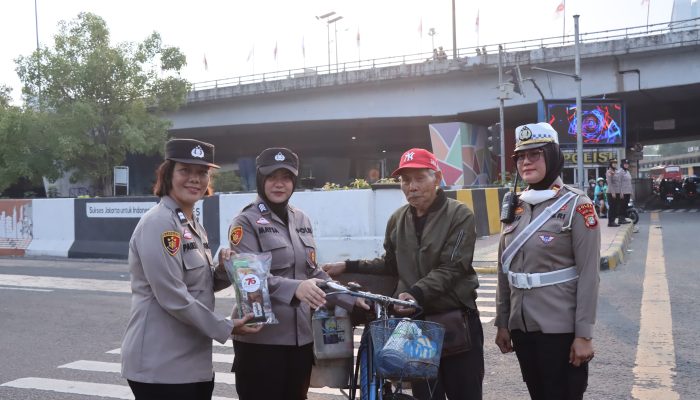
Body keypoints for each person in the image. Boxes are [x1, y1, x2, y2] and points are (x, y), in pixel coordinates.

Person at [323, 148, 484, 400]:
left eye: (420, 178)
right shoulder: (397, 219)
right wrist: (348, 265)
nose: (412, 186)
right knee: (423, 395)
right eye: (405, 180)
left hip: (455, 322)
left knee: (465, 393)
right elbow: (389, 264)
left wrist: (415, 293)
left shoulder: (459, 214)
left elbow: (452, 267)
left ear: (437, 178)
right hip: (414, 328)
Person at [121, 139, 262, 400]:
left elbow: (199, 283)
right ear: (167, 175)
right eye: (185, 170)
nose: (195, 179)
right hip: (162, 364)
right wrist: (226, 326)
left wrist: (223, 270)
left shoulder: (190, 223)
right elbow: (172, 295)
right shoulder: (160, 223)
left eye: (202, 173)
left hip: (193, 363)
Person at [227, 147, 362, 400]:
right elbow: (248, 280)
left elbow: (313, 272)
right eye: (272, 177)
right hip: (261, 342)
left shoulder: (301, 219)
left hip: (300, 341)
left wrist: (351, 298)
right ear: (260, 179)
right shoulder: (245, 222)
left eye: (286, 177)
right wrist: (295, 287)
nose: (280, 184)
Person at [494, 123, 600, 400]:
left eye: (535, 154)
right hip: (522, 328)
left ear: (552, 156)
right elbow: (503, 268)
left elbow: (589, 274)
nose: (526, 162)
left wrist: (584, 335)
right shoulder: (514, 205)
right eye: (520, 156)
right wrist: (503, 322)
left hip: (561, 330)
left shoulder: (578, 205)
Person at [605, 160, 621, 227]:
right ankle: (610, 222)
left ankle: (613, 221)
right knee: (612, 207)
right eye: (613, 163)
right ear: (610, 164)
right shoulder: (609, 171)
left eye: (615, 163)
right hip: (611, 192)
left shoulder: (616, 171)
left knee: (615, 207)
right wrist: (613, 192)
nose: (614, 164)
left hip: (617, 192)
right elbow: (610, 183)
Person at [618, 159, 633, 224]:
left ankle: (623, 218)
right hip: (623, 192)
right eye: (625, 164)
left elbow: (629, 182)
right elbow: (618, 183)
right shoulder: (620, 172)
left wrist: (631, 192)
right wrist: (620, 192)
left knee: (625, 206)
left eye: (627, 164)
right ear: (622, 164)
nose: (626, 165)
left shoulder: (627, 172)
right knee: (622, 205)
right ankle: (620, 219)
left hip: (628, 192)